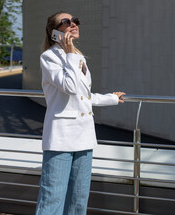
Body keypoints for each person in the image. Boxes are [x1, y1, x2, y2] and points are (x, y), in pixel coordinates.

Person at [36, 11, 125, 215]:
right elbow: (70, 87)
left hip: (84, 135)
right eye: (66, 22)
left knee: (79, 197)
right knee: (53, 197)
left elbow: (83, 97)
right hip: (61, 137)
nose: (73, 24)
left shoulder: (78, 57)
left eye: (75, 21)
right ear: (54, 32)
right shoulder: (49, 57)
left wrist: (111, 98)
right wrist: (68, 54)